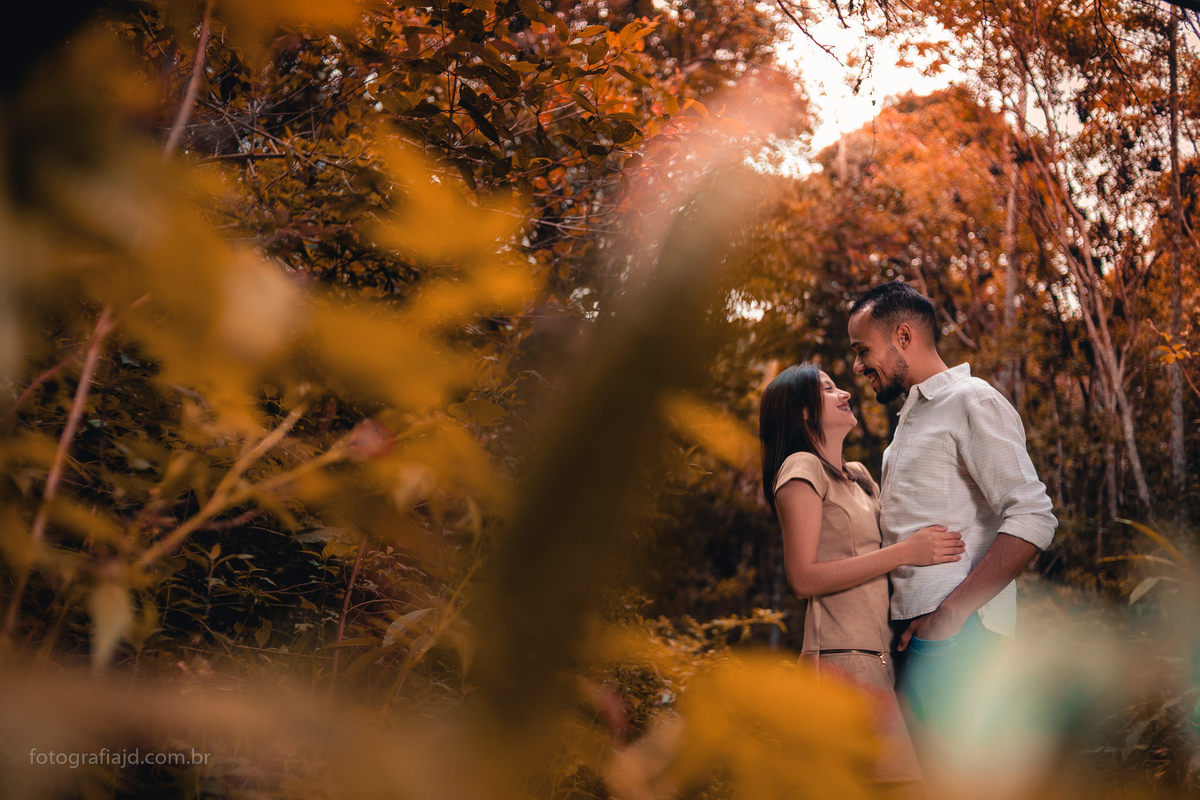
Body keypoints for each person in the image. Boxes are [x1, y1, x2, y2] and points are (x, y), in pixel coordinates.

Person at [846, 281, 1057, 741]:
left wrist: (949, 617)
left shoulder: (971, 400)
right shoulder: (911, 420)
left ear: (904, 337)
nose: (858, 366)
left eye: (863, 351)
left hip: (959, 641)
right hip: (911, 639)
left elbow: (1033, 515)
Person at [759, 363, 965, 788]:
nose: (844, 393)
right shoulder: (801, 469)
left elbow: (878, 572)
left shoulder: (858, 477)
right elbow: (803, 578)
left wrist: (912, 618)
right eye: (829, 388)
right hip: (842, 663)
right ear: (801, 412)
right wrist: (906, 552)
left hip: (883, 660)